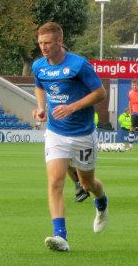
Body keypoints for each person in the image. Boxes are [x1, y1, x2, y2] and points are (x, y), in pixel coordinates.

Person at [31, 21, 109, 251]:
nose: (43, 47)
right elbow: (39, 86)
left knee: (87, 183)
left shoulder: (79, 65)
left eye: (47, 43)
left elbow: (100, 93)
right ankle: (61, 236)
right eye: (40, 43)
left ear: (60, 41)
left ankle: (102, 202)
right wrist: (41, 107)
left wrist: (72, 107)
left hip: (83, 133)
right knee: (55, 182)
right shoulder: (39, 66)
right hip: (56, 133)